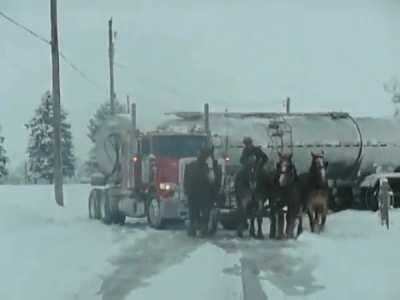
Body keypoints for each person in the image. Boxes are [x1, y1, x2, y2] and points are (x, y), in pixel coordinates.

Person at [184, 146, 221, 237]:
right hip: (202, 194)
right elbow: (214, 182)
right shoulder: (206, 167)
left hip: (196, 194)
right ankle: (199, 228)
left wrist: (187, 192)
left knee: (195, 212)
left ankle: (195, 228)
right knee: (202, 212)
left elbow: (186, 181)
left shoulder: (191, 166)